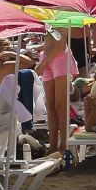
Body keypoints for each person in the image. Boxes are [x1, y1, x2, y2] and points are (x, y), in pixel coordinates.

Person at [34, 29, 79, 157]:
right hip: (47, 55)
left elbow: (60, 44)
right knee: (50, 105)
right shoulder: (47, 18)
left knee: (60, 105)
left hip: (58, 56)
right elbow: (53, 39)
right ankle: (53, 146)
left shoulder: (59, 19)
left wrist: (42, 64)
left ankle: (64, 145)